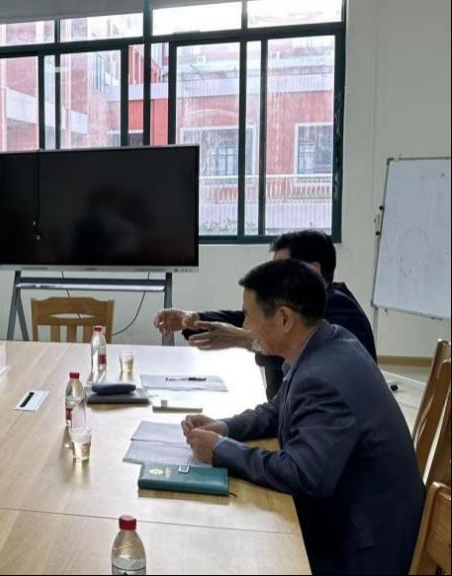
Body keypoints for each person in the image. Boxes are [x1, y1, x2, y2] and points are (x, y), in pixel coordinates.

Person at [182, 260, 423, 575]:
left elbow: (303, 475)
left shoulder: (322, 378)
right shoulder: (330, 342)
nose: (246, 328)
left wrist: (221, 450)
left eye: (250, 317)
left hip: (359, 554)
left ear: (284, 319)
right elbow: (278, 409)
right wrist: (225, 427)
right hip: (357, 524)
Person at [155, 229, 376, 399]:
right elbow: (253, 320)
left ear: (314, 271)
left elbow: (305, 354)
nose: (273, 279)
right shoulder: (301, 306)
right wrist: (194, 318)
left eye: (282, 270)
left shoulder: (340, 310)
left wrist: (248, 339)